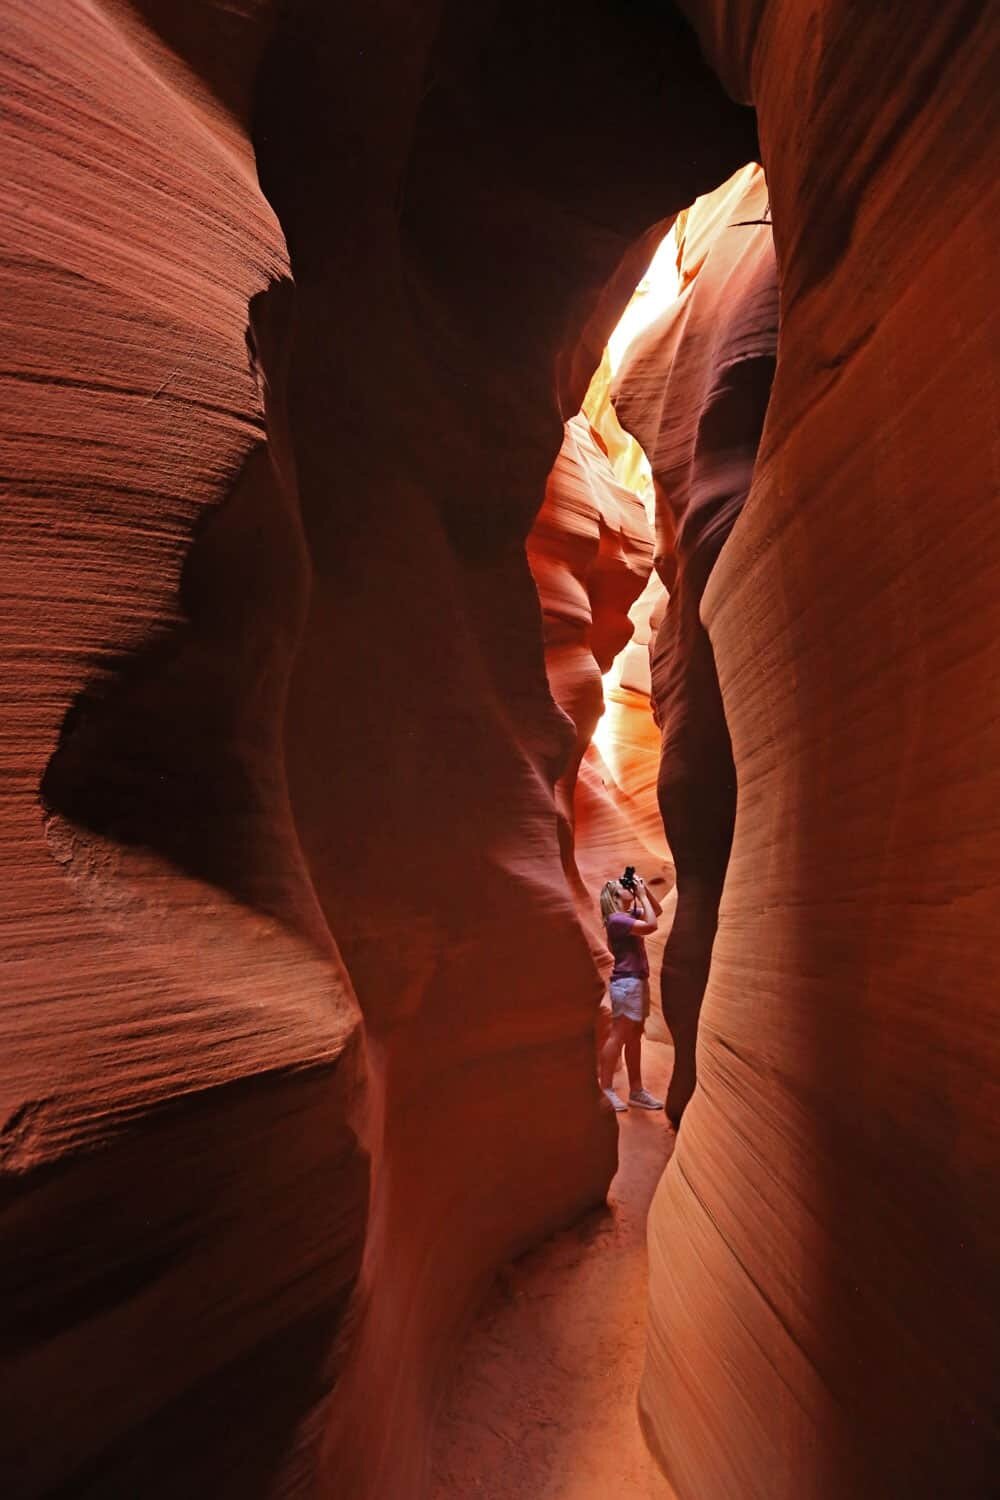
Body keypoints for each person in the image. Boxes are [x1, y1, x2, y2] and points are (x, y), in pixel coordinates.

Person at [598, 873, 664, 1112]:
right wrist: (642, 895)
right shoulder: (616, 920)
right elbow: (652, 926)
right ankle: (606, 1089)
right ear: (615, 897)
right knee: (619, 1035)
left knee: (634, 1035)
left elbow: (655, 913)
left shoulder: (627, 916)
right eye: (623, 887)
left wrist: (643, 890)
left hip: (637, 980)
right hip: (627, 983)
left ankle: (636, 1091)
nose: (629, 888)